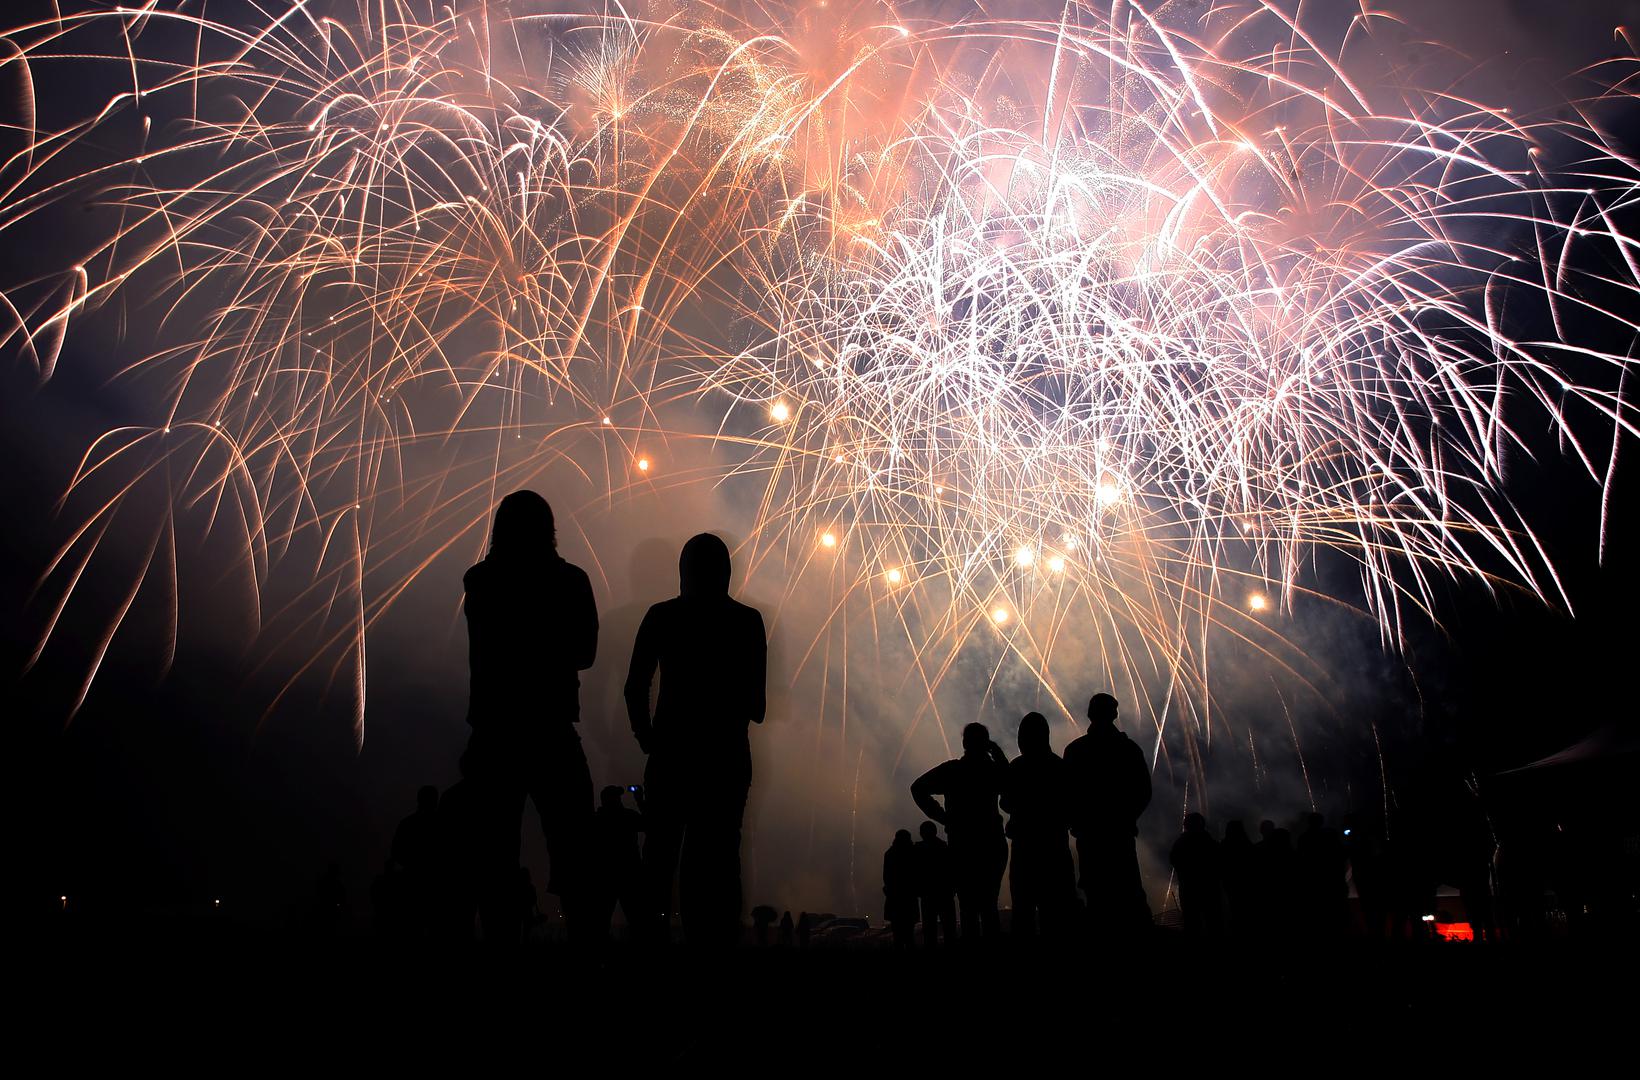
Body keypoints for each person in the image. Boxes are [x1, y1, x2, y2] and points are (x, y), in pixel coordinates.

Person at [461, 490, 598, 944]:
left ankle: (501, 944)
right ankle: (585, 945)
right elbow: (586, 653)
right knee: (576, 845)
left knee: (493, 852)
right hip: (551, 728)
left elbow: (491, 647)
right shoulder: (573, 581)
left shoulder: (479, 580)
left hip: (494, 730)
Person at [625, 533, 767, 948]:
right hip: (726, 758)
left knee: (660, 857)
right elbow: (756, 706)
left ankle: (649, 946)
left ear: (683, 571)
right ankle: (715, 947)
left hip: (671, 754)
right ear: (726, 572)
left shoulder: (660, 616)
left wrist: (647, 737)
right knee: (720, 859)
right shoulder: (747, 621)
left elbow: (635, 686)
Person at [911, 723, 1010, 943]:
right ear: (986, 743)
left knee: (968, 908)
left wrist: (943, 817)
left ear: (964, 743)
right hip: (992, 843)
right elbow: (1011, 785)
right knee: (989, 905)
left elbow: (917, 788)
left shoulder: (953, 771)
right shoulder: (992, 771)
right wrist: (998, 753)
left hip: (962, 845)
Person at [1064, 693, 1152, 935]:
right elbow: (1144, 791)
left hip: (1090, 836)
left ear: (1090, 714)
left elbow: (1067, 794)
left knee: (1097, 894)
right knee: (1128, 892)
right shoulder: (1128, 749)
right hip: (1118, 834)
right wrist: (1127, 818)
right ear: (1114, 714)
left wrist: (1078, 823)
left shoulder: (1076, 750)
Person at [1001, 712, 1076, 941]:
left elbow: (1005, 802)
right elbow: (1072, 805)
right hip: (1055, 846)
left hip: (1025, 847)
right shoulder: (1060, 766)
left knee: (1022, 910)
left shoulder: (1017, 766)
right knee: (1055, 912)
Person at [589, 785, 647, 941]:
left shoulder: (597, 819)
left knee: (601, 921)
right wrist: (640, 800)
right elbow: (649, 824)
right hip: (629, 875)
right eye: (617, 797)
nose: (619, 800)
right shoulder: (627, 816)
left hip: (606, 876)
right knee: (637, 920)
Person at [390, 785, 440, 933]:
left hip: (413, 881)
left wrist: (413, 864)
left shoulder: (407, 823)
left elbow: (396, 851)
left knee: (413, 927)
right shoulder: (443, 823)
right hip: (436, 883)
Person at [1169, 812, 1222, 939]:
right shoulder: (1210, 842)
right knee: (1212, 922)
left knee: (1192, 924)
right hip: (1208, 888)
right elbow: (1219, 862)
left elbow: (1173, 860)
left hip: (1189, 889)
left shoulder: (1181, 843)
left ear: (1186, 825)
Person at [1296, 812, 1347, 936]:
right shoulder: (1328, 837)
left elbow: (1301, 859)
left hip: (1313, 882)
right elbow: (1340, 856)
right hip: (1330, 882)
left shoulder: (1304, 837)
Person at [913, 821, 957, 949]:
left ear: (921, 833)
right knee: (949, 930)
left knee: (929, 931)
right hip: (945, 894)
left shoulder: (918, 851)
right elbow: (952, 871)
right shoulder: (944, 848)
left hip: (927, 896)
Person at [883, 829, 920, 951]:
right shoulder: (913, 853)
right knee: (909, 935)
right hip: (909, 898)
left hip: (894, 899)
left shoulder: (890, 854)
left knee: (897, 935)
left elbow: (886, 877)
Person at [1220, 820, 1255, 939]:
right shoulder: (1247, 844)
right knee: (1245, 910)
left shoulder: (1224, 845)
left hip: (1231, 884)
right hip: (1245, 884)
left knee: (1234, 909)